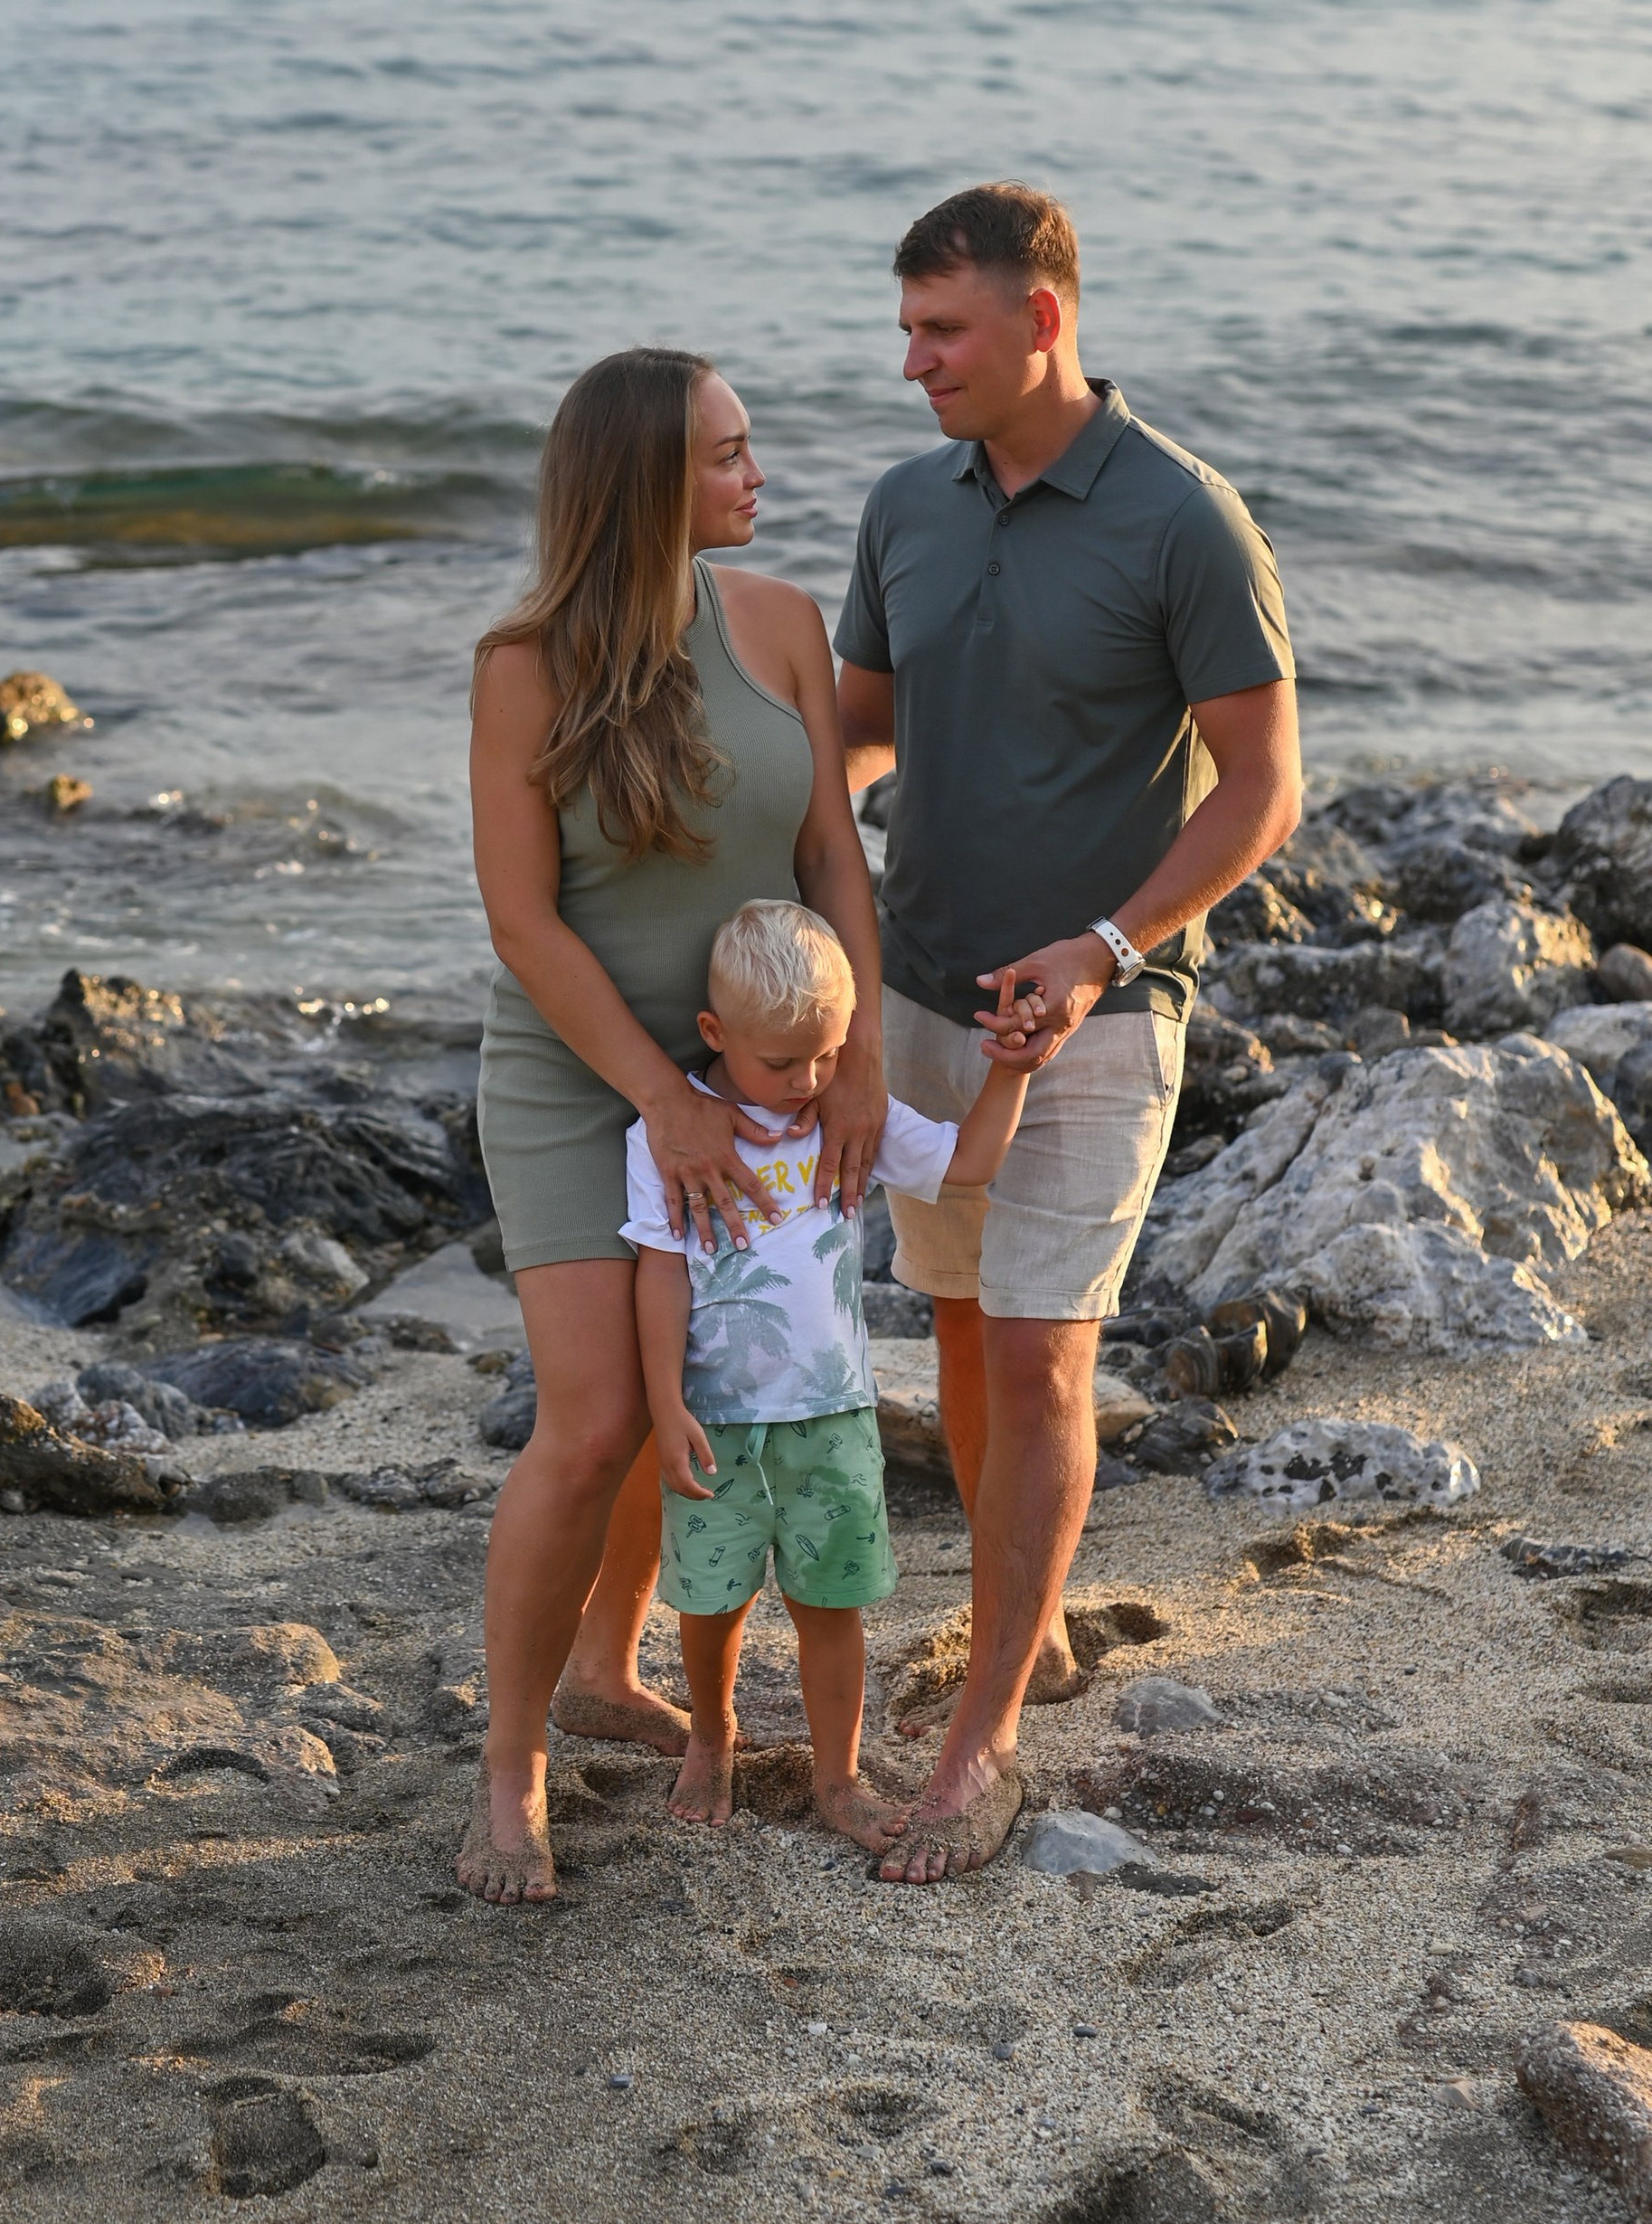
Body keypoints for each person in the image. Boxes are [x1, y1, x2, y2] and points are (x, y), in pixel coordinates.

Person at [835, 183, 1301, 1883]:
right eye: (906, 329)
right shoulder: (907, 505)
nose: (913, 363)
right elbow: (855, 740)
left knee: (1043, 1352)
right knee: (961, 1326)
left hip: (1099, 1010)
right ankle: (1016, 1630)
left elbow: (1261, 787)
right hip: (918, 991)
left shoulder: (1184, 517)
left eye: (941, 330)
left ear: (1041, 320)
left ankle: (985, 1744)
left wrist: (1106, 949)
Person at [460, 348, 890, 1906]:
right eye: (724, 455)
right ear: (644, 487)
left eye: (748, 448)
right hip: (585, 1084)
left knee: (690, 1393)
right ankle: (511, 1769)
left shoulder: (779, 624)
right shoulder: (525, 666)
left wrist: (857, 1058)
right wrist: (663, 1097)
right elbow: (524, 921)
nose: (755, 476)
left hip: (758, 1079)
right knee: (591, 1425)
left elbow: (832, 858)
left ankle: (605, 1665)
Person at [626, 900, 1034, 1845]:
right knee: (711, 1601)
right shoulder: (668, 1134)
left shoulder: (849, 1117)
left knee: (831, 1604)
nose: (808, 1081)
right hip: (715, 1419)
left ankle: (838, 1777)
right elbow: (659, 1271)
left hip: (834, 1418)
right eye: (781, 1064)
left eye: (827, 1055)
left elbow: (971, 1163)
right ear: (714, 1032)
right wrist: (663, 1402)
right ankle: (712, 1734)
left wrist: (1010, 1071)